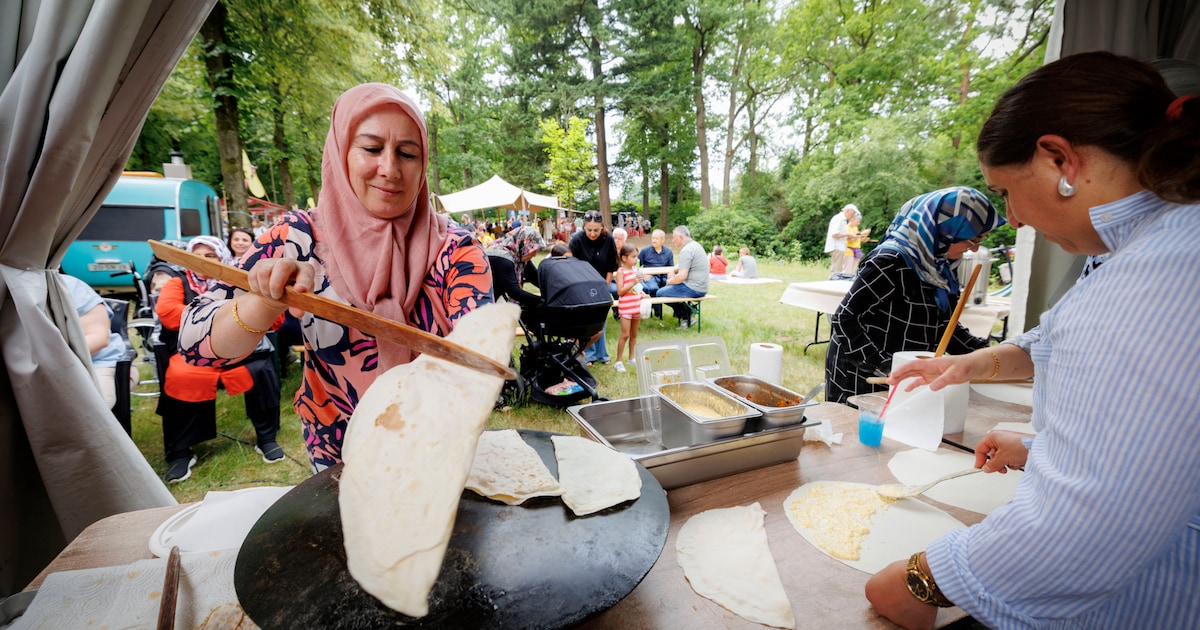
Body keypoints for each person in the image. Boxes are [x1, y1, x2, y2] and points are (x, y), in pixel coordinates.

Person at [864, 52, 1200, 629]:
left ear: (1059, 159)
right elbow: (1163, 453)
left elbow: (1090, 527)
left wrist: (923, 580)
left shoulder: (1160, 273)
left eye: (1007, 191)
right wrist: (979, 378)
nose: (1014, 218)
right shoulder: (1154, 242)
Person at [179, 83, 494, 472]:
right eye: (372, 148)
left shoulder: (456, 250)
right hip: (336, 459)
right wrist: (266, 300)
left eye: (407, 153)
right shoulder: (296, 238)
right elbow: (195, 343)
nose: (390, 169)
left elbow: (480, 364)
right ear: (341, 151)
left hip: (440, 453)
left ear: (423, 163)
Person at [824, 186, 1005, 404]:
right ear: (944, 230)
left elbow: (945, 326)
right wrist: (884, 366)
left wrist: (987, 356)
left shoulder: (941, 266)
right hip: (862, 374)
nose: (974, 249)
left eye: (980, 240)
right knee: (857, 432)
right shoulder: (889, 261)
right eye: (971, 240)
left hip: (907, 374)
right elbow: (845, 319)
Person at [156, 236, 284, 483]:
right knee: (181, 377)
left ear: (222, 257)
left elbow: (272, 317)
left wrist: (207, 316)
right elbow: (168, 314)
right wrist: (230, 316)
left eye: (210, 256)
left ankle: (267, 437)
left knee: (261, 371)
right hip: (194, 357)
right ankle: (180, 451)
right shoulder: (177, 282)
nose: (202, 261)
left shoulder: (239, 280)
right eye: (197, 255)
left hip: (242, 354)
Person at [60, 273, 133, 410]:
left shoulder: (70, 286)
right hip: (42, 365)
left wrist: (51, 359)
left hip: (97, 361)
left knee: (93, 409)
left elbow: (99, 338)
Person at [569, 210, 617, 364]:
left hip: (602, 284)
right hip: (581, 285)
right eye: (589, 230)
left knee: (600, 320)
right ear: (584, 227)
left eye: (596, 230)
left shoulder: (608, 239)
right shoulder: (577, 240)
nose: (592, 233)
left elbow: (611, 266)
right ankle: (588, 354)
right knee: (587, 322)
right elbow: (570, 265)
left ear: (602, 227)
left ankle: (602, 355)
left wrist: (606, 286)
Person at [655, 225, 708, 329]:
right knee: (667, 290)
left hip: (693, 288)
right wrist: (673, 269)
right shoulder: (695, 245)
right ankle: (688, 312)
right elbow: (682, 265)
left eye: (674, 238)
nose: (673, 241)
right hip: (702, 287)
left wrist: (670, 281)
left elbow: (681, 277)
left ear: (681, 237)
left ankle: (686, 315)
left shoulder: (686, 250)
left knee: (660, 293)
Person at [487, 226, 545, 308]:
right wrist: (542, 301)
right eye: (532, 250)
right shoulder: (503, 258)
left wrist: (552, 290)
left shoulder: (518, 253)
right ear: (523, 245)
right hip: (487, 300)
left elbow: (534, 276)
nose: (534, 255)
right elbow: (514, 292)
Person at [612, 243, 644, 373]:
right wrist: (633, 282)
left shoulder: (635, 270)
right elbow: (620, 291)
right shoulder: (621, 271)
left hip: (637, 305)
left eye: (636, 257)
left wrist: (643, 294)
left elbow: (637, 289)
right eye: (633, 257)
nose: (636, 259)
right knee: (625, 334)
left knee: (634, 334)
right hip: (626, 307)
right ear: (624, 258)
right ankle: (618, 361)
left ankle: (632, 358)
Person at [637, 229, 675, 318]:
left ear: (663, 240)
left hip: (664, 278)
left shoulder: (668, 252)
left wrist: (670, 279)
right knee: (653, 287)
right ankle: (656, 309)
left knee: (673, 290)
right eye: (653, 238)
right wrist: (643, 274)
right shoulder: (645, 251)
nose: (654, 240)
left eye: (656, 238)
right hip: (650, 278)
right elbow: (636, 266)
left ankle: (679, 311)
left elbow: (671, 268)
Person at [825, 204, 858, 279]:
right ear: (847, 211)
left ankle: (833, 283)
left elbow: (840, 235)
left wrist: (849, 237)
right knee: (836, 269)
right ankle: (832, 284)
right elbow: (835, 234)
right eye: (852, 214)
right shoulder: (839, 219)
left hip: (840, 246)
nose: (852, 216)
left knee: (838, 268)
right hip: (837, 246)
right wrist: (849, 234)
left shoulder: (842, 219)